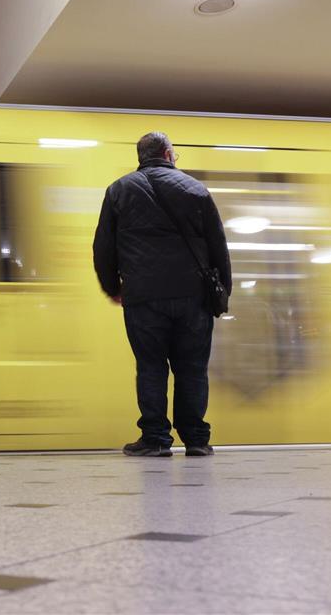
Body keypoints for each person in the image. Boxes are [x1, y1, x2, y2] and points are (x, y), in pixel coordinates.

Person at [92, 132, 232, 457]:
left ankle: (155, 438)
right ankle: (196, 439)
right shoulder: (196, 189)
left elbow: (103, 248)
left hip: (143, 297)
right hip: (193, 297)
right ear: (169, 154)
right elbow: (217, 246)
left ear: (140, 157)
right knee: (193, 367)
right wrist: (222, 291)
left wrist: (113, 288)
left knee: (151, 366)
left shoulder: (119, 190)